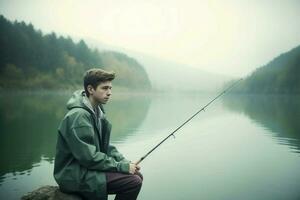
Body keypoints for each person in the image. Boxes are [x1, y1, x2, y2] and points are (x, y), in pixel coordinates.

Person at [53, 68, 143, 200]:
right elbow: (89, 157)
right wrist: (121, 167)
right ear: (90, 89)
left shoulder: (97, 111)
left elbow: (106, 146)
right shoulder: (79, 116)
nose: (109, 93)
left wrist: (124, 162)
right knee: (133, 182)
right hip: (73, 174)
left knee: (137, 176)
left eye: (110, 88)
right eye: (104, 88)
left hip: (86, 168)